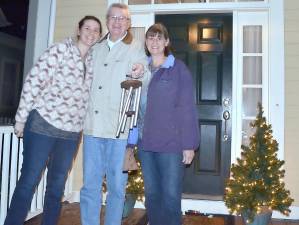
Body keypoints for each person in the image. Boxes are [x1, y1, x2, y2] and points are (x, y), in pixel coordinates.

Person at [4, 16, 102, 225]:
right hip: (43, 126)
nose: (91, 33)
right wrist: (20, 119)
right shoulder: (60, 50)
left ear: (99, 36)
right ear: (78, 29)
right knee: (28, 182)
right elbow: (33, 82)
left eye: (95, 30)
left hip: (71, 134)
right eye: (87, 28)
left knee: (56, 187)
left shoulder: (93, 62)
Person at [79, 3, 148, 225]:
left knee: (117, 187)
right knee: (90, 185)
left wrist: (141, 71)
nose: (117, 22)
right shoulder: (95, 47)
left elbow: (144, 77)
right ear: (107, 21)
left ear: (129, 23)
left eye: (122, 19)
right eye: (113, 18)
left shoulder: (136, 47)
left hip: (119, 129)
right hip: (92, 127)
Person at [138, 23, 200, 225]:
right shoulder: (139, 69)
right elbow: (132, 108)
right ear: (146, 42)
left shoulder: (178, 69)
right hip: (145, 143)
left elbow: (187, 107)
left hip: (171, 144)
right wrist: (130, 142)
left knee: (171, 197)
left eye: (159, 38)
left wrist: (189, 144)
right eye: (150, 38)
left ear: (166, 42)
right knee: (152, 196)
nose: (154, 42)